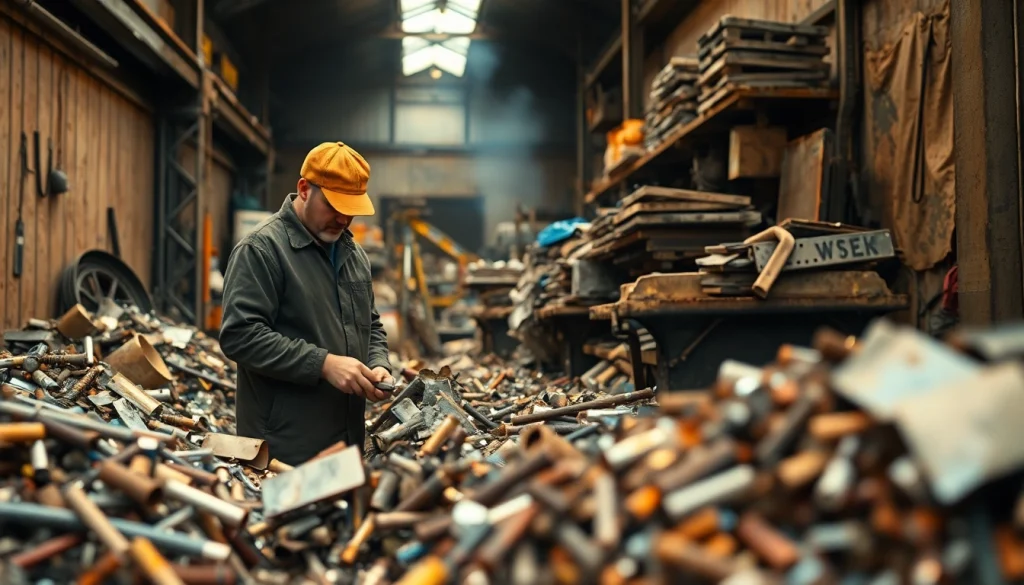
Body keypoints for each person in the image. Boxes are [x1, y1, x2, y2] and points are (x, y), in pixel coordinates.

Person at [219, 141, 394, 466]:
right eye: (333, 205)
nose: (343, 218)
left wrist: (379, 363)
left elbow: (372, 325)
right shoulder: (262, 250)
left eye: (351, 209)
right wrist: (324, 364)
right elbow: (240, 336)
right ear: (304, 189)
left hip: (346, 441)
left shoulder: (355, 257)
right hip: (283, 450)